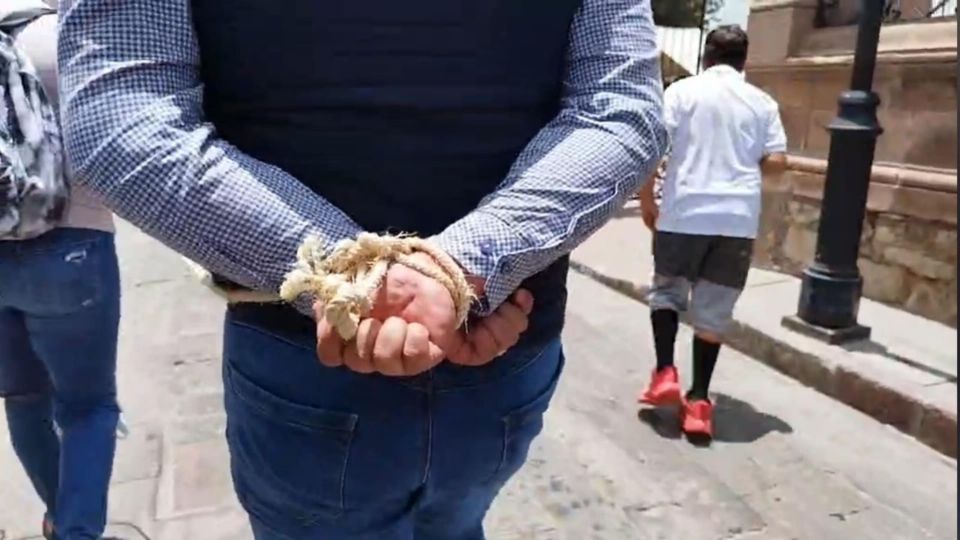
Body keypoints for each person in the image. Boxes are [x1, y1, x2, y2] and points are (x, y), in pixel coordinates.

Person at [57, 0, 667, 537]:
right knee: (456, 524)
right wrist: (462, 273)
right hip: (502, 336)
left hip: (313, 360)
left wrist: (371, 283)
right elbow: (618, 109)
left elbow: (125, 121)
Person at [0, 1, 121, 539]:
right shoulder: (63, 37)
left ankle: (59, 517)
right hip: (73, 243)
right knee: (89, 406)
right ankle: (77, 531)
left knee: (24, 398)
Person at [636, 25, 787, 441]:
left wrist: (648, 199)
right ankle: (699, 403)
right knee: (714, 311)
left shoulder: (682, 92)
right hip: (735, 220)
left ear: (707, 56)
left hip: (684, 212)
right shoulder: (762, 103)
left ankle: (665, 372)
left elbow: (653, 145)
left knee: (667, 291)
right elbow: (777, 163)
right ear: (744, 61)